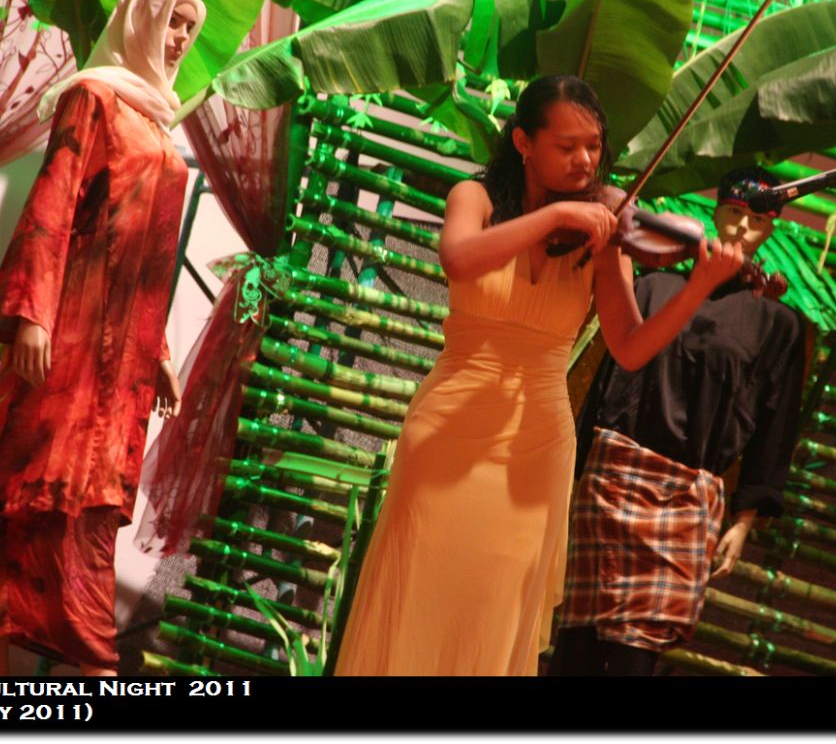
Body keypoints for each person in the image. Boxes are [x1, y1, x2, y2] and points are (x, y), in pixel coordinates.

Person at [333, 75, 745, 676]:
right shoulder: (473, 198)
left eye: (595, 147)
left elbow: (630, 347)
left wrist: (698, 287)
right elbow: (458, 259)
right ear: (524, 142)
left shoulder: (605, 224)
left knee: (496, 603)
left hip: (536, 444)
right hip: (449, 425)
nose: (586, 162)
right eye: (567, 146)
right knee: (418, 585)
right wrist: (554, 215)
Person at [0, 0, 204, 676]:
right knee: (22, 489)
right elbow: (53, 203)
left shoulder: (159, 123)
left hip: (119, 367)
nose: (181, 39)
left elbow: (150, 263)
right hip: (66, 340)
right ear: (139, 20)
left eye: (190, 28)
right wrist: (34, 315)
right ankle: (29, 658)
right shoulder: (92, 97)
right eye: (172, 21)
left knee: (83, 505)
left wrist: (159, 352)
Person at [549, 166, 807, 676]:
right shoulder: (654, 286)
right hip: (612, 482)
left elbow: (775, 423)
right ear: (716, 212)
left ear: (771, 228)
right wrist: (575, 471)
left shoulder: (778, 324)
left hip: (688, 498)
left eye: (757, 220)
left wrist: (744, 519)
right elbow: (607, 380)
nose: (741, 228)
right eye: (733, 213)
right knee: (577, 644)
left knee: (637, 655)